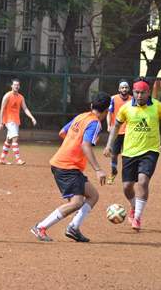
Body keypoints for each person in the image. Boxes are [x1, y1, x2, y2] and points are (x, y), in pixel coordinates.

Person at [31, 92, 110, 242]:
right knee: (77, 203)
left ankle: (73, 228)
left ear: (91, 105)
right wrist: (98, 170)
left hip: (67, 165)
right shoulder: (95, 123)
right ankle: (40, 227)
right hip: (67, 166)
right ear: (106, 111)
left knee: (93, 196)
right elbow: (86, 145)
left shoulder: (81, 117)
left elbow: (62, 132)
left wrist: (72, 143)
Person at [104, 78, 161, 231]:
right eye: (137, 92)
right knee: (127, 187)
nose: (139, 96)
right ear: (133, 92)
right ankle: (133, 207)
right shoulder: (125, 108)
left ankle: (137, 217)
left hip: (150, 151)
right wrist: (109, 145)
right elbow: (115, 126)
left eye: (142, 93)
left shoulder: (158, 107)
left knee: (143, 181)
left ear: (148, 92)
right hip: (129, 151)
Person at [0, 78, 37, 165]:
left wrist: (32, 117)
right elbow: (2, 109)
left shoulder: (21, 97)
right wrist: (1, 122)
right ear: (11, 86)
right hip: (9, 120)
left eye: (18, 85)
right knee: (15, 138)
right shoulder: (7, 96)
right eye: (15, 85)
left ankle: (2, 159)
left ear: (19, 86)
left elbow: (25, 109)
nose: (16, 86)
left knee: (8, 140)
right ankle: (18, 159)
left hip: (16, 121)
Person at [106, 80, 132, 184]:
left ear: (128, 89)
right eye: (122, 87)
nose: (124, 89)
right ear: (119, 89)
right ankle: (113, 172)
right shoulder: (113, 99)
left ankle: (126, 176)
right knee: (114, 155)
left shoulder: (133, 100)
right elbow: (109, 113)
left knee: (127, 155)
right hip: (116, 131)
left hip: (129, 131)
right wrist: (108, 125)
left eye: (126, 87)